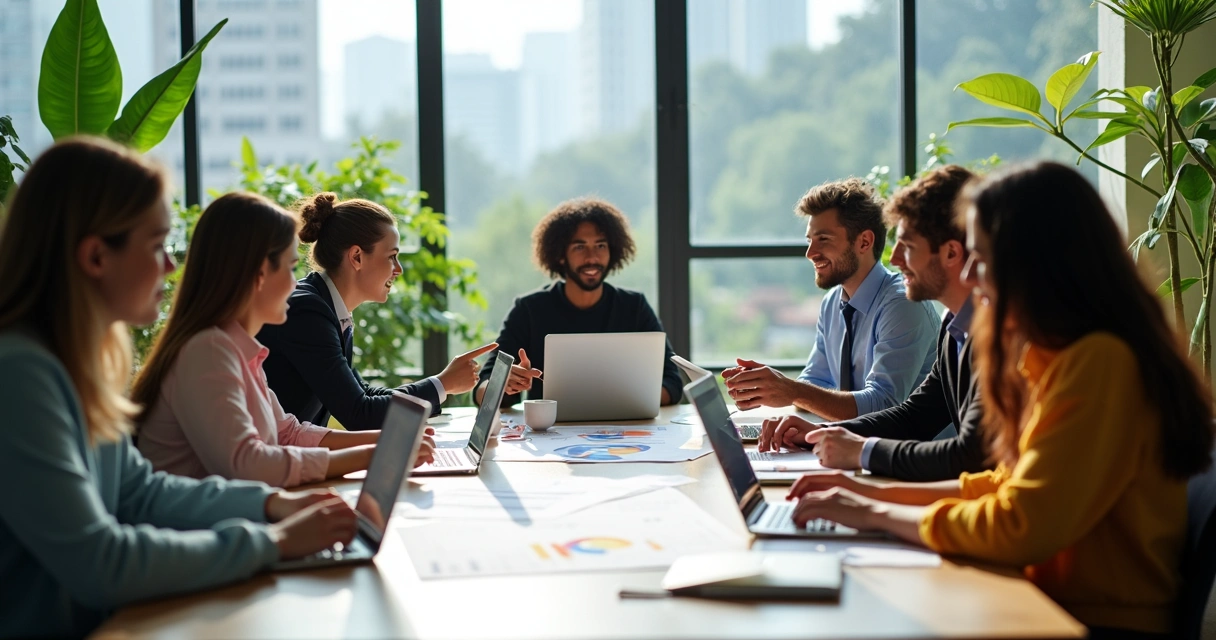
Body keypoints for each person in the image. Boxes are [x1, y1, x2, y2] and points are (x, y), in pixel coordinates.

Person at [784, 162, 1213, 639]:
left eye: (981, 256)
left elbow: (1019, 523)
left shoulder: (1099, 361)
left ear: (1034, 261)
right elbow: (1003, 484)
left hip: (1089, 620)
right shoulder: (1062, 353)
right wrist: (866, 495)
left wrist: (873, 512)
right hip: (1049, 600)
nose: (968, 272)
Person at [0, 138, 358, 638]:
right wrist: (272, 542)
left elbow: (140, 493)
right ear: (96, 257)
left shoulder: (74, 367)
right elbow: (103, 561)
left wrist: (270, 507)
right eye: (156, 246)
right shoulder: (21, 377)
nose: (170, 267)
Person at [133, 192, 436, 487]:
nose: (297, 284)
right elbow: (248, 464)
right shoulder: (208, 350)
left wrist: (394, 440)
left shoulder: (237, 347)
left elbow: (288, 433)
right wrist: (378, 453)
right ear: (259, 274)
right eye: (291, 268)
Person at [760, 165, 990, 481]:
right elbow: (915, 416)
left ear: (952, 252)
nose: (894, 259)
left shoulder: (995, 334)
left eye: (907, 246)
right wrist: (821, 433)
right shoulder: (955, 327)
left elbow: (970, 456)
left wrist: (860, 457)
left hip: (945, 485)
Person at [258, 192, 495, 430]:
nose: (399, 269)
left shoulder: (326, 307)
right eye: (392, 256)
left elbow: (364, 394)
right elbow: (360, 414)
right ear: (357, 257)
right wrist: (442, 385)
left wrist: (441, 385)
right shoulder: (308, 312)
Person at [723, 177, 939, 421]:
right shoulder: (832, 303)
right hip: (855, 446)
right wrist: (770, 387)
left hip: (910, 453)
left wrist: (792, 391)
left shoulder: (903, 305)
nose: (810, 253)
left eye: (823, 239)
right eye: (810, 240)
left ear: (864, 242)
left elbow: (883, 404)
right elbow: (816, 381)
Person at [474, 197, 681, 407]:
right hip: (548, 434)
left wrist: (622, 401)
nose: (592, 257)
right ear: (560, 256)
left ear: (613, 251)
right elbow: (482, 389)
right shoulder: (529, 310)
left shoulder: (634, 307)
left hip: (625, 431)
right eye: (580, 247)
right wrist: (504, 385)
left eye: (600, 246)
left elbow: (673, 383)